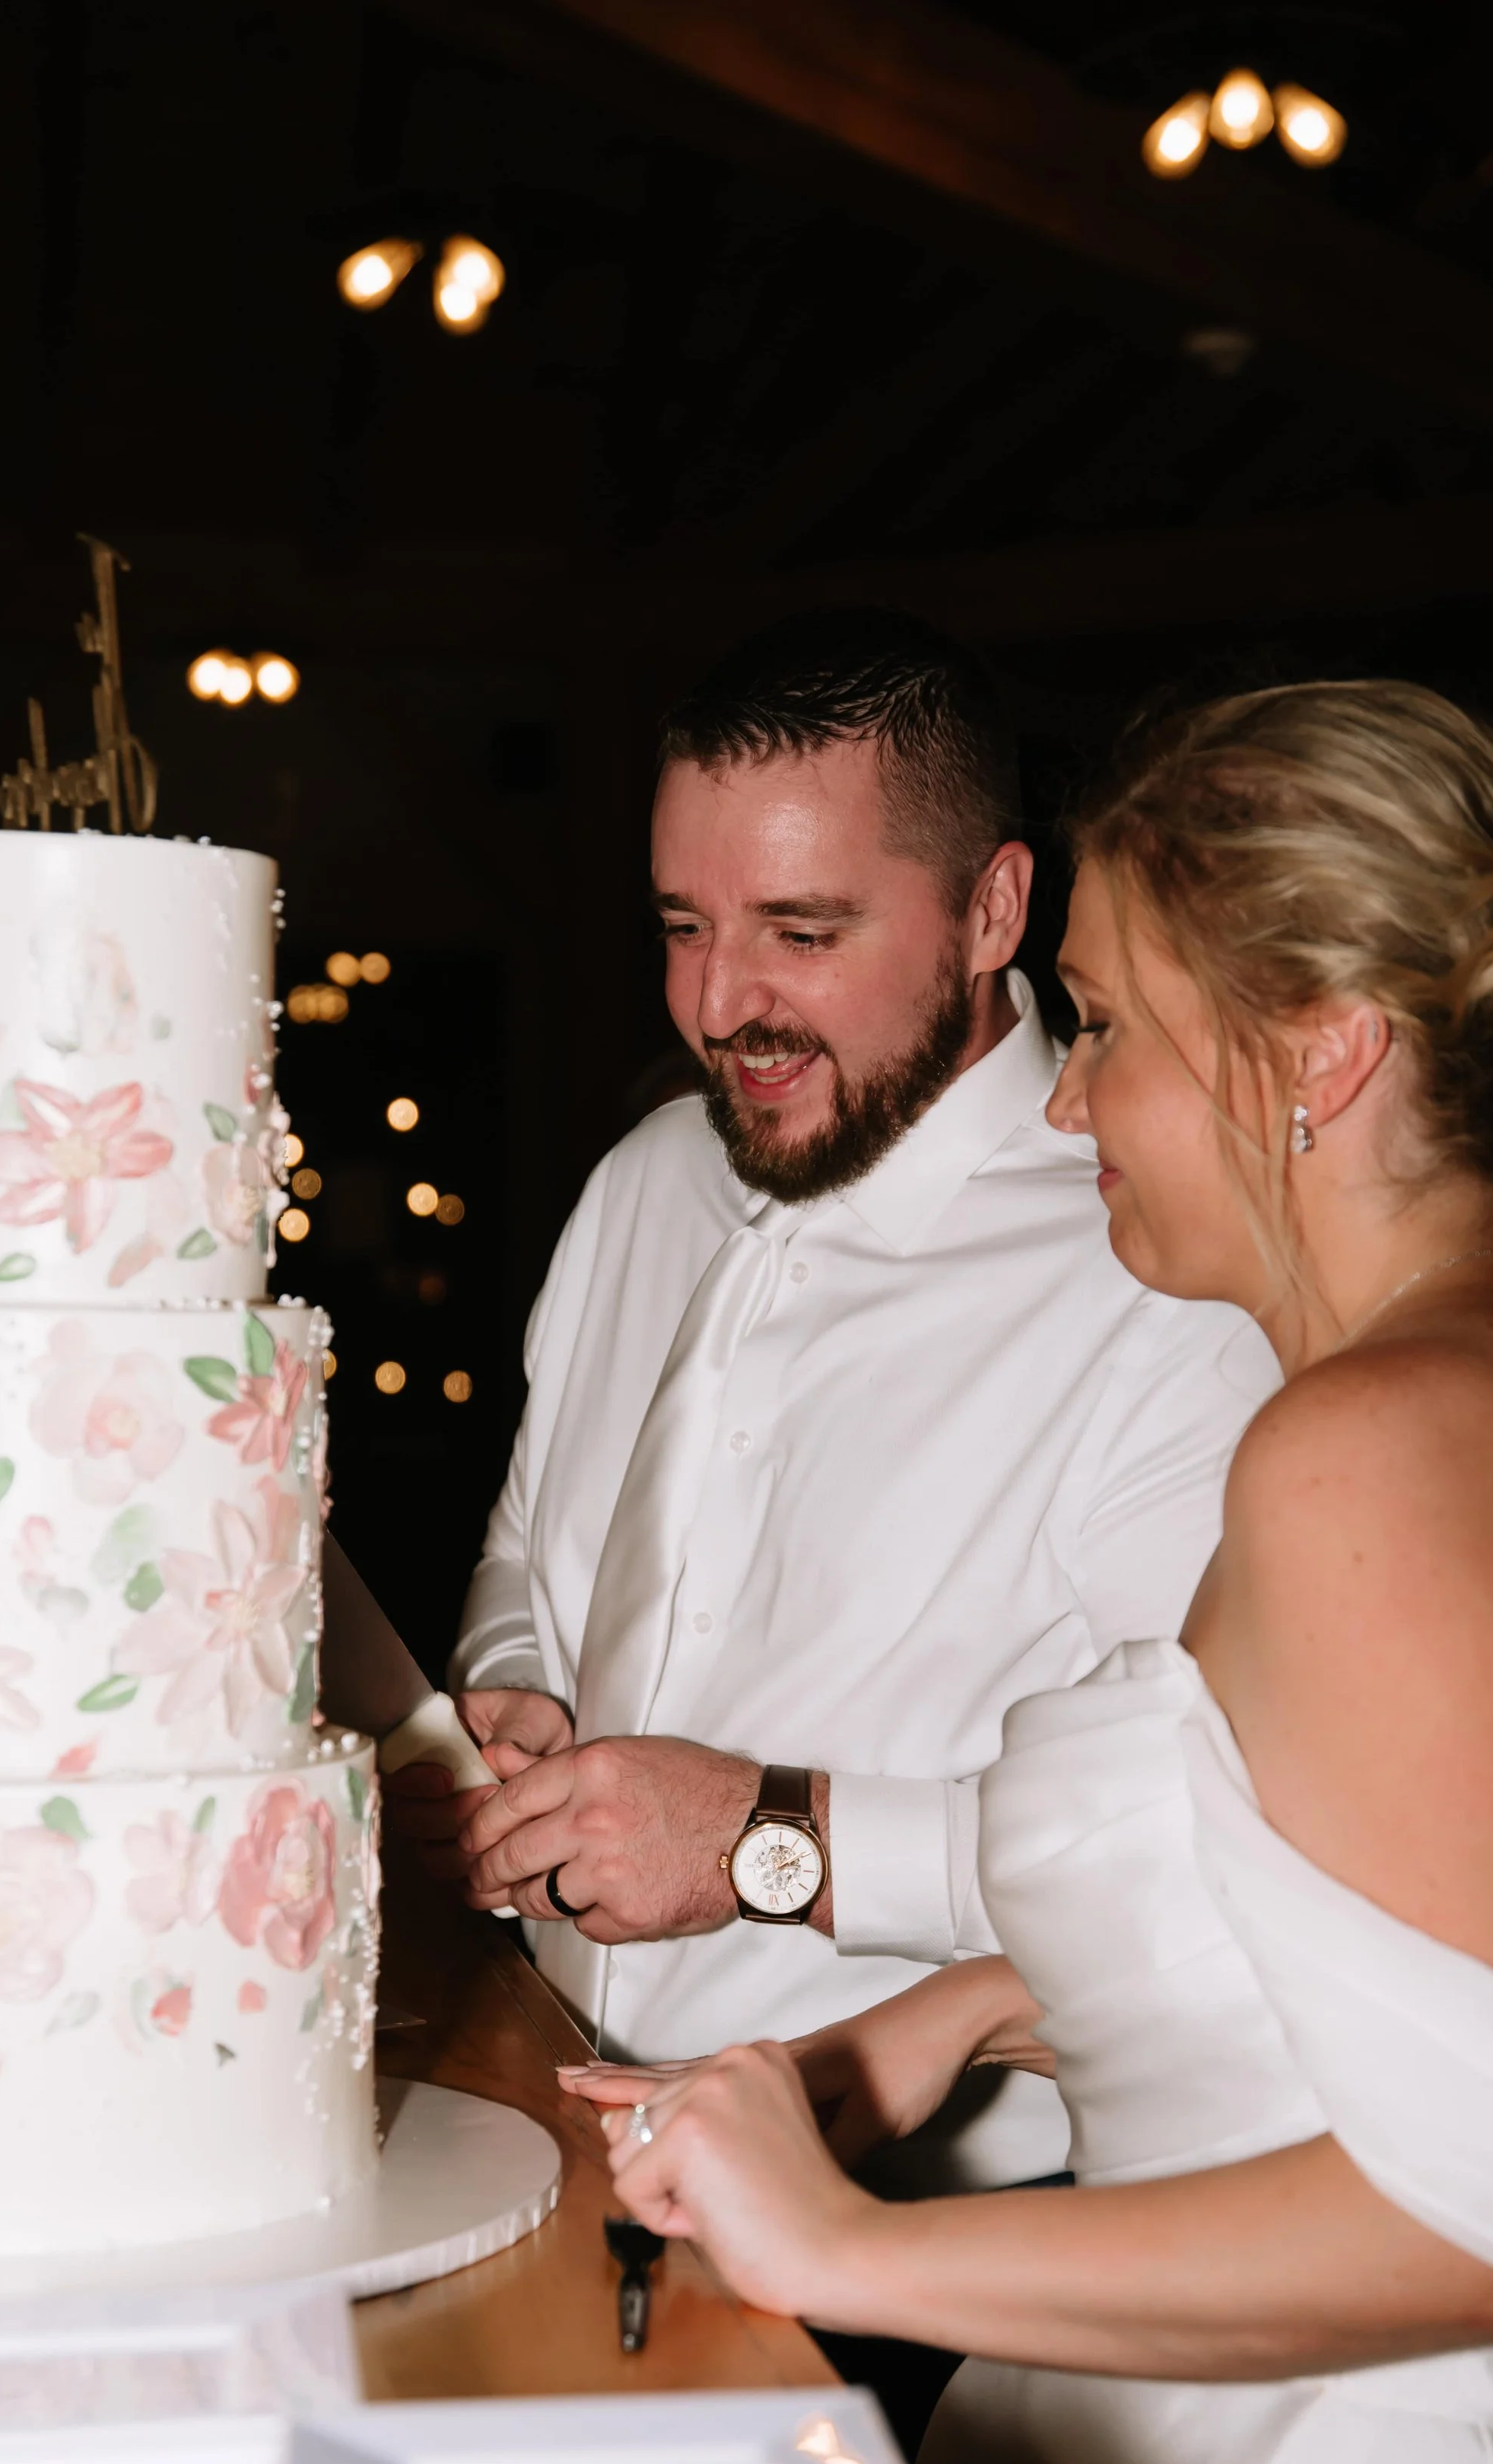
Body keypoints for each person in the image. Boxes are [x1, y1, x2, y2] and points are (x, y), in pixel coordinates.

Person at [564, 679, 1493, 2464]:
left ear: (1315, 1056)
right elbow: (1376, 1913)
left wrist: (849, 2250)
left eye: (1104, 1029)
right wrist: (947, 2018)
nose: (1059, 1105)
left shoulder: (1367, 1457)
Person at [392, 609, 1275, 2234]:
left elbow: (1238, 1841)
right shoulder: (644, 1180)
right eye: (680, 923)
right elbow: (532, 1541)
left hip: (943, 2220)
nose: (720, 1002)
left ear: (992, 907)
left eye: (800, 932)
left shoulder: (1160, 1268)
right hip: (545, 2120)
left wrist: (760, 1841)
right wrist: (517, 1685)